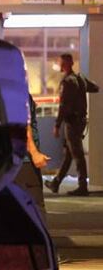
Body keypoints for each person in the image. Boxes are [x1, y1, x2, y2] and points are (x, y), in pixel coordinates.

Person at [46, 53, 99, 196]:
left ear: (65, 65)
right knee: (70, 154)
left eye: (61, 63)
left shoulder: (67, 82)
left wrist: (57, 125)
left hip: (72, 123)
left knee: (77, 155)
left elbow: (63, 106)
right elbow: (95, 87)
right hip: (81, 121)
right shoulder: (80, 78)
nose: (59, 65)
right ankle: (56, 182)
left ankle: (83, 186)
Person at [15, 94, 50, 222]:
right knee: (35, 208)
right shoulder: (18, 91)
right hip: (24, 162)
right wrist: (34, 152)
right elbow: (23, 123)